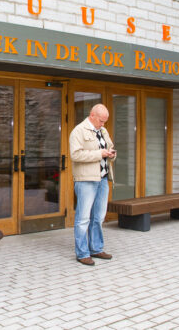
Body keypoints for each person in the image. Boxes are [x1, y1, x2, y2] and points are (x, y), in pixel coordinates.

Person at [69, 103, 115, 266]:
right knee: (83, 218)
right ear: (92, 115)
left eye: (105, 121)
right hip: (86, 181)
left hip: (102, 179)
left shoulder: (103, 131)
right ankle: (82, 253)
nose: (103, 124)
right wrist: (99, 154)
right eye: (101, 121)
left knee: (98, 217)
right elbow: (75, 155)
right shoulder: (78, 131)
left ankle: (96, 249)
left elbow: (109, 147)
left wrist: (111, 154)